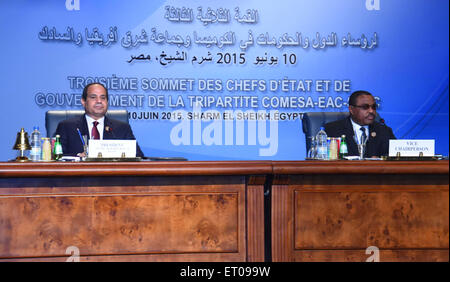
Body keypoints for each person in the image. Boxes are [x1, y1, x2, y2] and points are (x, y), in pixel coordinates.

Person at [55, 82, 144, 157]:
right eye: (93, 97)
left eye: (103, 98)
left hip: (112, 176)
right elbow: (57, 157)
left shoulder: (122, 128)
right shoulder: (67, 127)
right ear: (83, 101)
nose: (99, 101)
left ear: (107, 102)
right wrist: (78, 157)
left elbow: (138, 157)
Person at [324, 90, 396, 157]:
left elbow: (394, 155)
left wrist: (380, 159)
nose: (371, 111)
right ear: (351, 109)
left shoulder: (384, 131)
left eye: (374, 107)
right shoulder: (333, 129)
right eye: (365, 107)